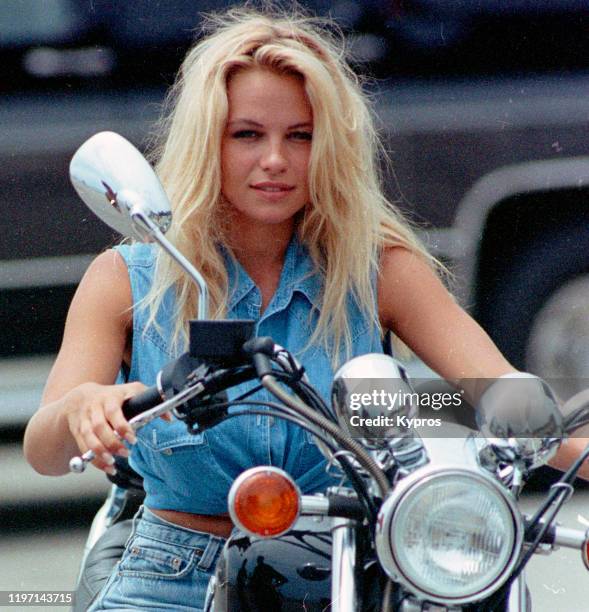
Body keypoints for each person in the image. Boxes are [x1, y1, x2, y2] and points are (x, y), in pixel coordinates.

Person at [22, 6, 588, 611]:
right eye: (247, 135)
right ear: (205, 140)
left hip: (346, 557)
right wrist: (83, 407)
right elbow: (42, 448)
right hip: (171, 574)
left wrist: (539, 429)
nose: (275, 159)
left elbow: (496, 393)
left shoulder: (380, 270)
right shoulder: (129, 278)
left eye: (300, 135)